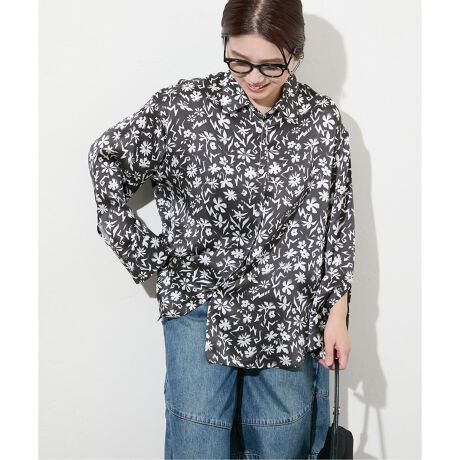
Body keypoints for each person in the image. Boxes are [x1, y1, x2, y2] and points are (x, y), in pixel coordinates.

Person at [88, 0, 355, 458]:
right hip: (200, 307)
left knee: (282, 447)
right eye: (239, 61)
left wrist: (337, 316)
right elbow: (106, 160)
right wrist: (148, 256)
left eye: (271, 66)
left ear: (296, 53)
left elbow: (338, 224)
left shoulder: (322, 123)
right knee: (197, 447)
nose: (254, 78)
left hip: (286, 313)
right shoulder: (184, 107)